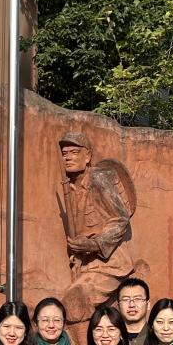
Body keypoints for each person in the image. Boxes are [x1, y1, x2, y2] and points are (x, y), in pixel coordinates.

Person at [57, 132, 135, 322]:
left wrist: (94, 244)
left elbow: (120, 218)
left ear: (88, 156)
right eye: (64, 153)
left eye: (74, 152)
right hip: (87, 266)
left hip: (111, 265)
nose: (68, 157)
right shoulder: (71, 188)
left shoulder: (99, 179)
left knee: (74, 301)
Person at [116, 278, 152, 345]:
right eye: (126, 299)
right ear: (118, 306)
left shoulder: (158, 336)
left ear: (148, 304)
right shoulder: (110, 338)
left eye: (137, 299)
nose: (132, 305)